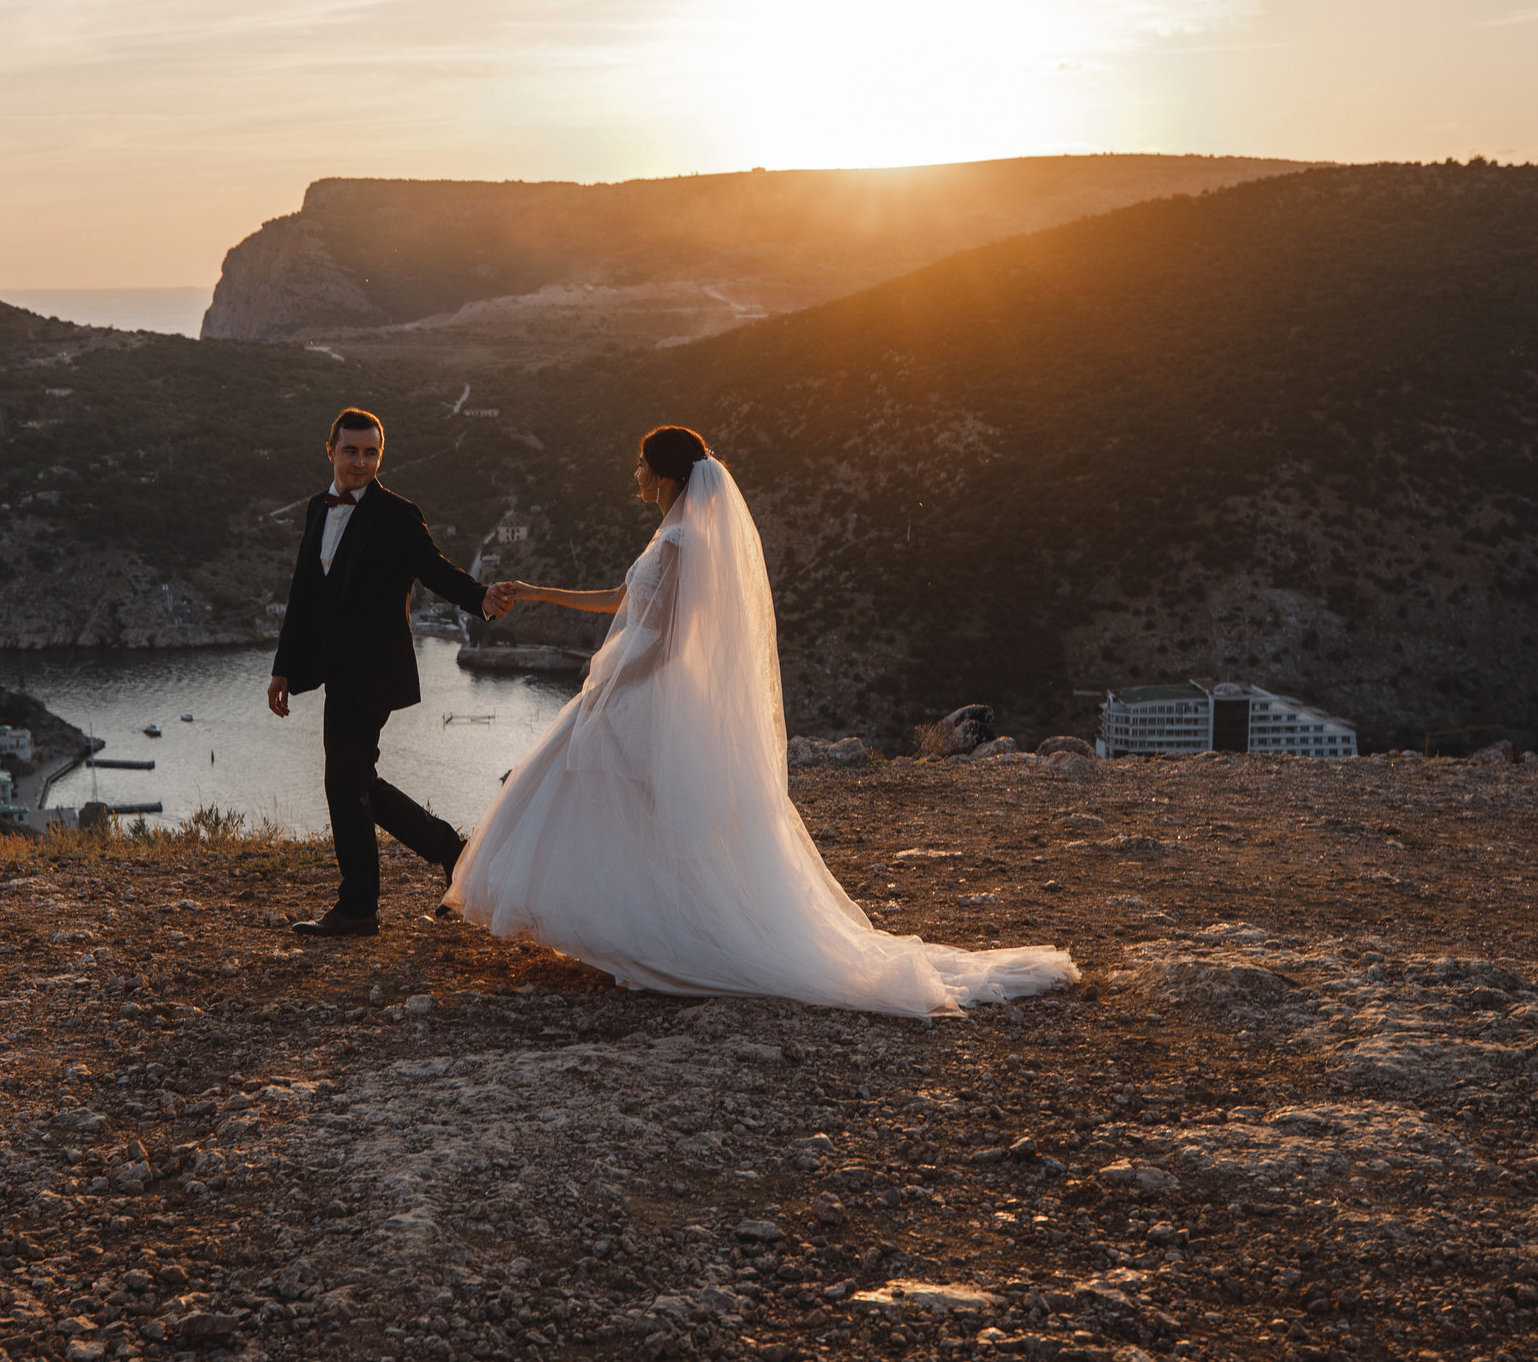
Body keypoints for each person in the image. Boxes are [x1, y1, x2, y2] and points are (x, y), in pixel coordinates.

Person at [448, 425, 1078, 1015]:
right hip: (638, 690)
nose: (634, 473)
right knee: (626, 808)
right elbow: (620, 600)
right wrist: (539, 593)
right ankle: (631, 924)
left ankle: (652, 931)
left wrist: (609, 690)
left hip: (644, 694)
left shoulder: (680, 543)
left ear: (663, 476)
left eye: (640, 464)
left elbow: (664, 642)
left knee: (630, 807)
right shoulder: (672, 533)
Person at [268, 408, 514, 937]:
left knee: (343, 780)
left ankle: (359, 908)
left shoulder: (398, 514)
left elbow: (435, 569)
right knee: (356, 779)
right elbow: (303, 594)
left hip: (375, 671)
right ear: (330, 451)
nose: (360, 462)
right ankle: (451, 850)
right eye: (350, 451)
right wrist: (284, 667)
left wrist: (481, 598)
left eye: (371, 453)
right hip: (334, 670)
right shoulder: (316, 508)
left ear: (381, 456)